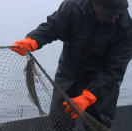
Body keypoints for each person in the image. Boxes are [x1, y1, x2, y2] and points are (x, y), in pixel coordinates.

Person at [11, 0, 132, 129]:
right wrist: (33, 39)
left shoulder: (126, 28)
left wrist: (89, 96)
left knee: (97, 124)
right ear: (94, 5)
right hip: (69, 74)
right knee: (60, 121)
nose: (114, 19)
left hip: (101, 82)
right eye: (108, 14)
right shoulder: (73, 7)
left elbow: (114, 70)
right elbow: (53, 26)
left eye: (118, 14)